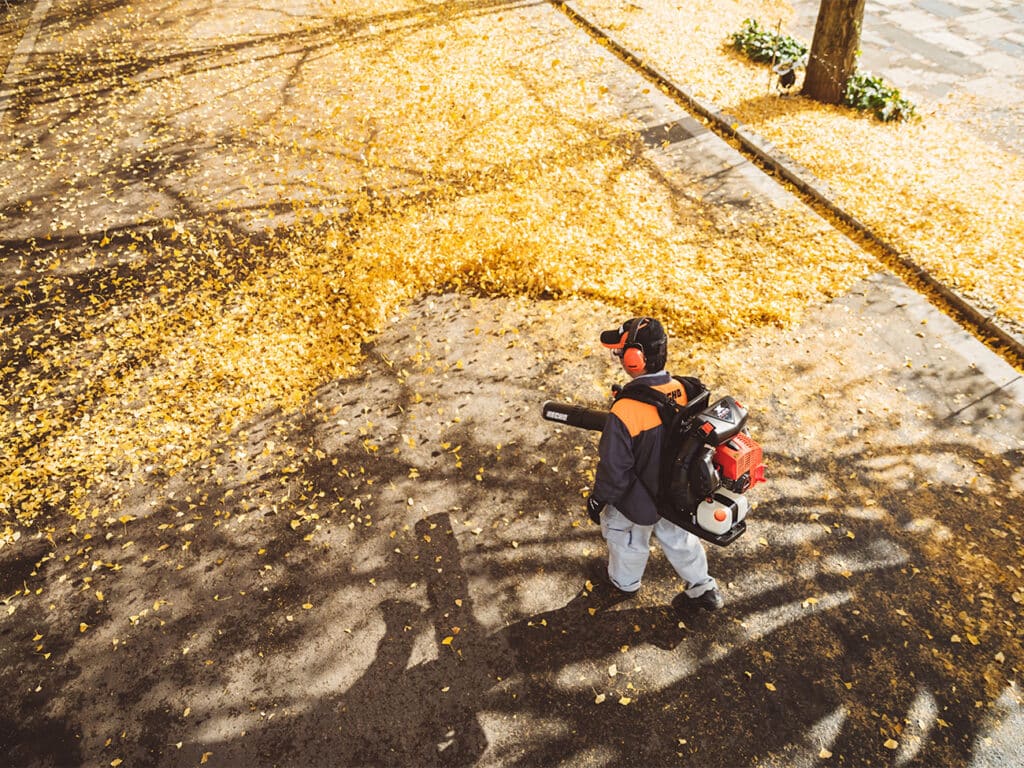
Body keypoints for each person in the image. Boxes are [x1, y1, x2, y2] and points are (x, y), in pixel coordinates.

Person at [585, 317, 724, 611]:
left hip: (639, 497)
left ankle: (625, 582)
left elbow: (614, 469)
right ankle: (703, 586)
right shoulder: (686, 390)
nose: (619, 357)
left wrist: (599, 499)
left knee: (625, 538)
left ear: (635, 359)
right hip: (676, 492)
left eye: (620, 352)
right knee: (680, 540)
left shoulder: (625, 410)